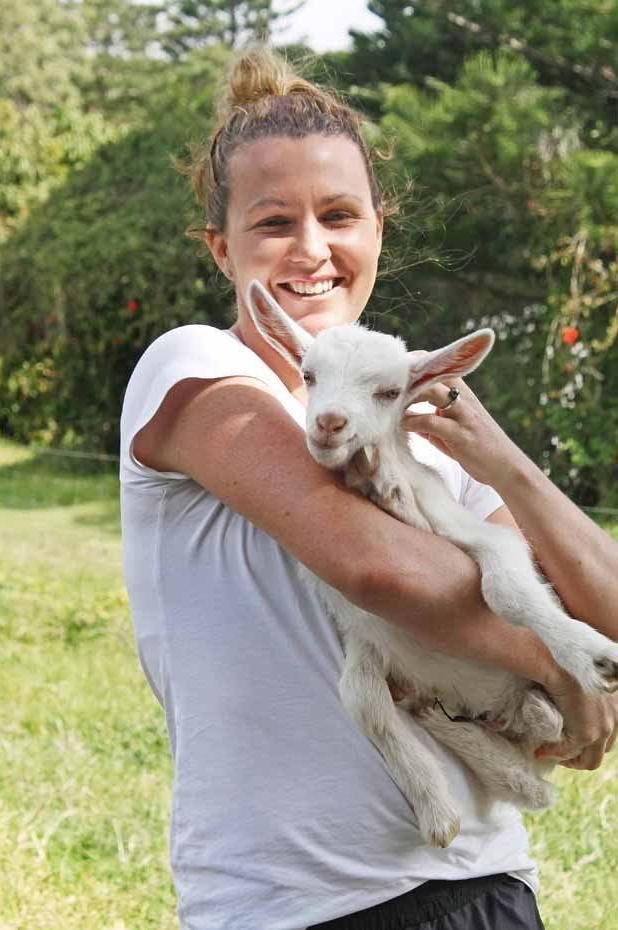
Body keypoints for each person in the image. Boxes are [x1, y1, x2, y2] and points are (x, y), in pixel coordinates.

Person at [119, 46, 618, 930]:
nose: (311, 248)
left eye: (339, 215)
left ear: (378, 230)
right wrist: (559, 661)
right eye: (273, 222)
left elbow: (606, 610)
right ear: (219, 246)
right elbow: (377, 569)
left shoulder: (412, 415)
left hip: (488, 886)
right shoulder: (195, 369)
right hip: (299, 903)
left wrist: (505, 461)